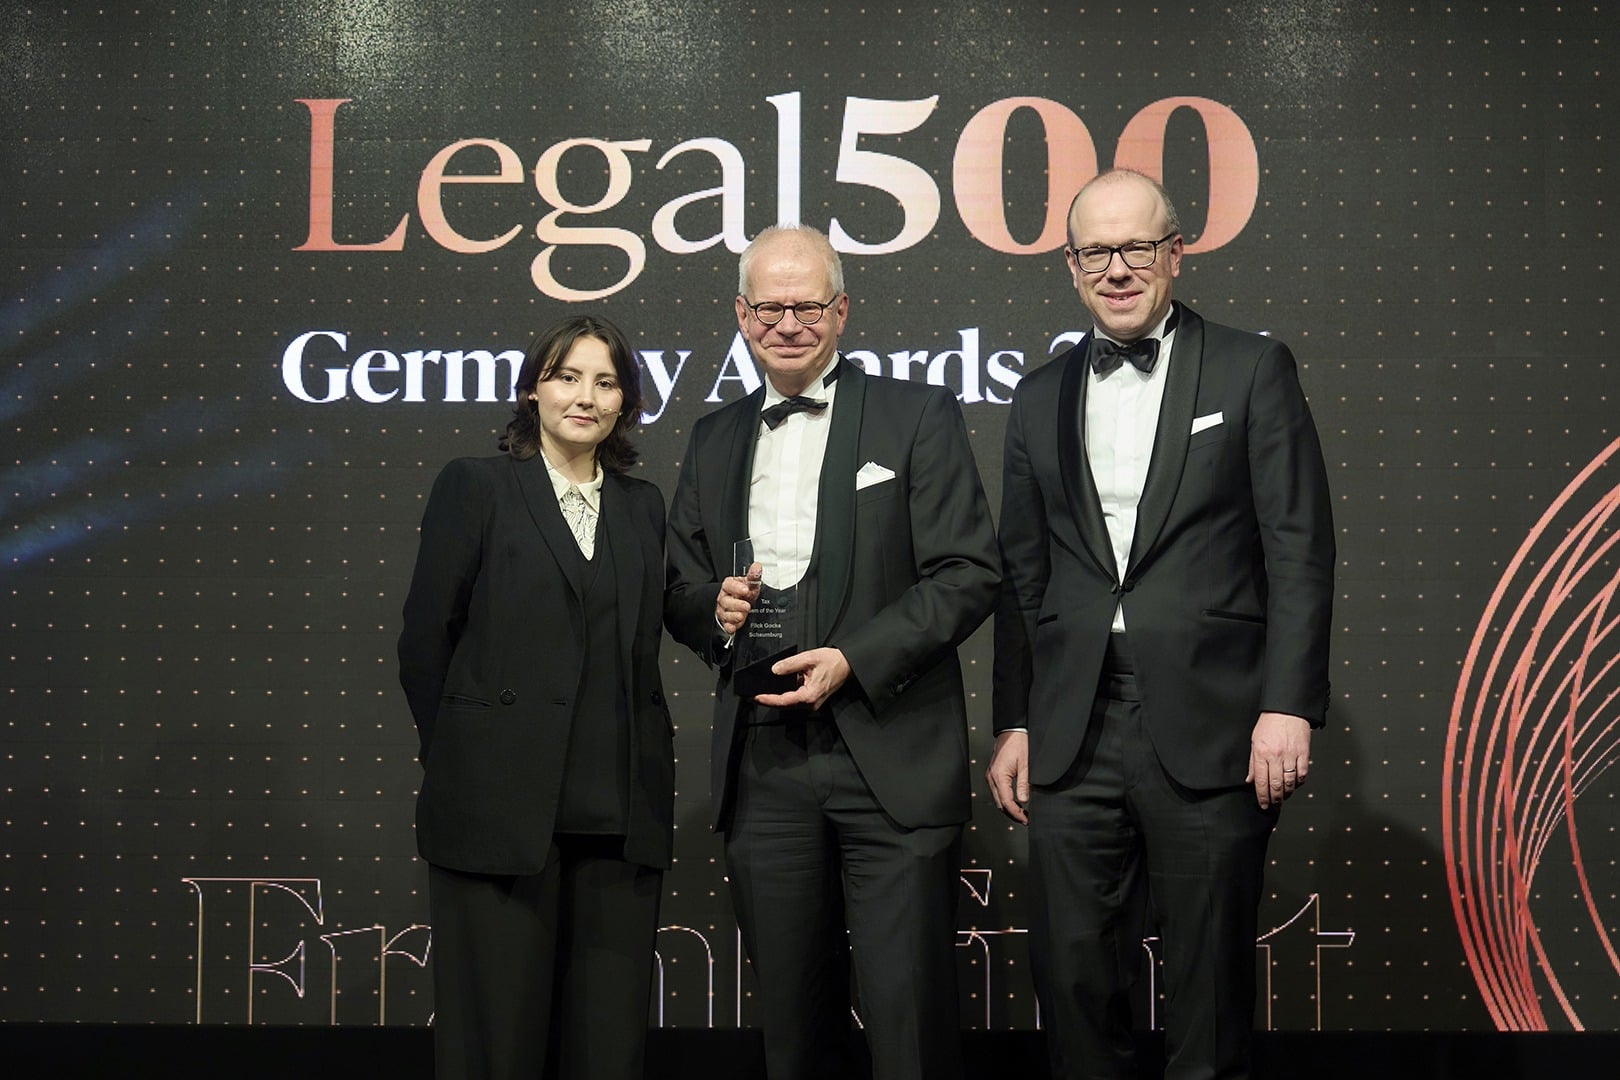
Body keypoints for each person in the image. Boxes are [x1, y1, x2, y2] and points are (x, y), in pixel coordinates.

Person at [988, 169, 1334, 1078]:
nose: (1117, 269)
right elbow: (1023, 573)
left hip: (1214, 721)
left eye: (1136, 247)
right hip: (1073, 724)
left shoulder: (1252, 368)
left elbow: (1298, 548)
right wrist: (1016, 717)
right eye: (1096, 252)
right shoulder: (1038, 394)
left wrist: (1288, 704)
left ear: (1175, 253)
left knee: (1208, 987)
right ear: (1070, 266)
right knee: (1069, 979)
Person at [664, 224, 1000, 1080]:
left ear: (842, 311)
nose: (788, 324)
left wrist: (856, 657)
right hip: (765, 764)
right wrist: (714, 610)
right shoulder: (713, 437)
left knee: (909, 1026)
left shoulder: (915, 414)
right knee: (792, 1031)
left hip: (890, 753)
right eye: (769, 308)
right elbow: (679, 587)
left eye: (808, 306)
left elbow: (968, 571)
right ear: (741, 315)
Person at [397, 315, 673, 1080]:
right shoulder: (476, 486)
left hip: (617, 814)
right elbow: (425, 641)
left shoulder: (643, 505)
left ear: (626, 402)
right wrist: (463, 761)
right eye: (567, 376)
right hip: (498, 811)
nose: (586, 396)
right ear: (531, 391)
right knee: (496, 1049)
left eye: (606, 382)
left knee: (606, 1050)